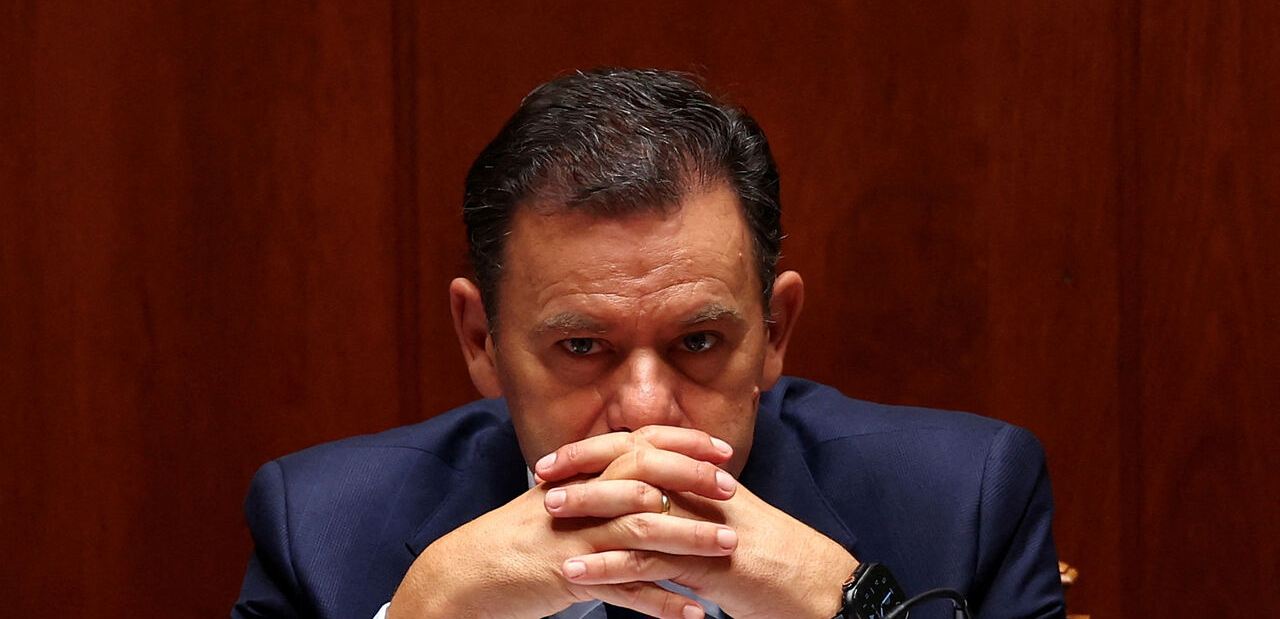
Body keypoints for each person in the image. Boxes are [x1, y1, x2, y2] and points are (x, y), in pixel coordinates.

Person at [232, 69, 1066, 619]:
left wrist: (849, 606)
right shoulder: (321, 529)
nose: (643, 408)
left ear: (774, 333)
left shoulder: (964, 500)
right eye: (583, 346)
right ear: (481, 340)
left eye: (698, 340)